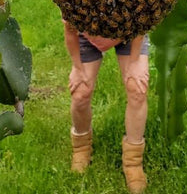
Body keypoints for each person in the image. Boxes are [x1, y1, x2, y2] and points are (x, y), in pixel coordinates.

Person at [63, 20, 149, 193]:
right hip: (86, 32)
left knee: (137, 89)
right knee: (80, 93)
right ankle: (81, 147)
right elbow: (69, 28)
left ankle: (133, 162)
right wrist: (77, 67)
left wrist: (134, 63)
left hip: (131, 30)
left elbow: (142, 14)